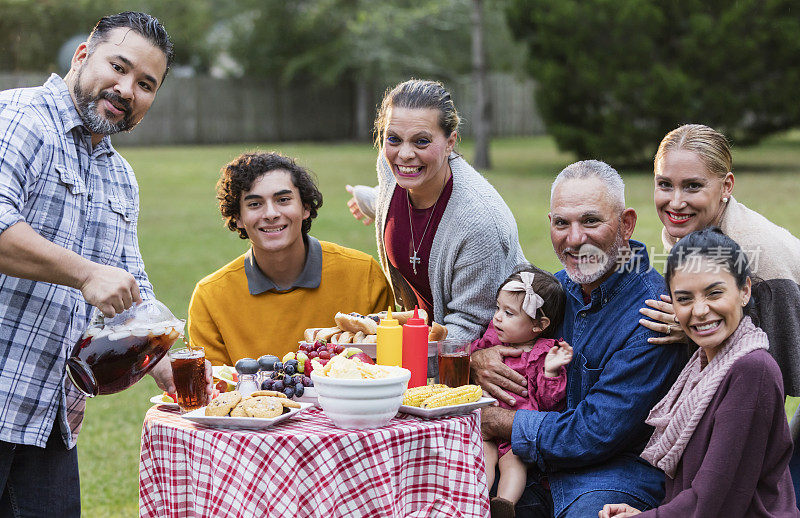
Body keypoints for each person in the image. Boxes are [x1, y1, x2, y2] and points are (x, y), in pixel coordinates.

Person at [0, 12, 210, 516]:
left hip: (48, 418)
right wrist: (86, 273)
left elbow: (131, 290)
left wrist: (167, 357)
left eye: (145, 84)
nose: (125, 89)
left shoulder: (120, 177)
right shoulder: (19, 118)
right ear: (82, 56)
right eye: (118, 67)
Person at [475, 160, 686, 518]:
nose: (574, 239)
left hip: (613, 477)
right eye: (561, 223)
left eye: (590, 221)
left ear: (626, 224)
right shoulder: (552, 293)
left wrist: (498, 421)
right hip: (532, 469)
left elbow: (596, 432)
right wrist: (478, 360)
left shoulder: (654, 313)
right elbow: (498, 338)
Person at [638, 123, 800, 503]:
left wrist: (703, 330)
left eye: (693, 186)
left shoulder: (761, 263)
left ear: (726, 186)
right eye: (665, 184)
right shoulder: (690, 227)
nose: (676, 202)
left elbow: (782, 374)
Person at [600, 228, 799, 518]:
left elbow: (715, 504)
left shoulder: (752, 371)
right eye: (684, 299)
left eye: (714, 293)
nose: (700, 310)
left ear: (744, 291)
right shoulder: (700, 365)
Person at [345, 79, 526, 340]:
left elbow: (471, 328)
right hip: (422, 344)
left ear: (451, 142)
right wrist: (368, 199)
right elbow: (389, 199)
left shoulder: (479, 223)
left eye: (421, 141)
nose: (404, 154)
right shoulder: (390, 169)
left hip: (482, 355)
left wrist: (391, 353)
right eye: (393, 139)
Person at [188, 151, 394, 365]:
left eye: (283, 200)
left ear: (305, 207)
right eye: (254, 204)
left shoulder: (363, 274)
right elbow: (216, 390)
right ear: (238, 217)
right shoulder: (210, 297)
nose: (270, 213)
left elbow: (388, 369)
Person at [470, 265, 571, 518]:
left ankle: (505, 503)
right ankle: (478, 500)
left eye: (509, 313)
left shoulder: (544, 354)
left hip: (517, 430)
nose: (497, 317)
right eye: (497, 308)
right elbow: (472, 355)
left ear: (539, 324)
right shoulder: (492, 340)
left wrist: (550, 372)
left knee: (513, 462)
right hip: (485, 423)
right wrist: (472, 357)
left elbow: (550, 403)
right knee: (483, 454)